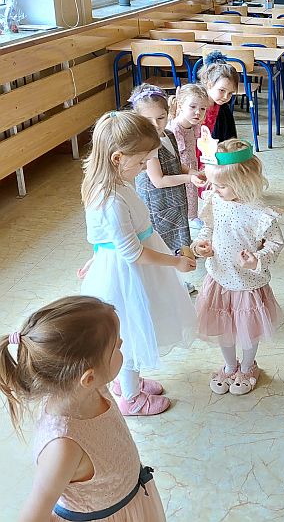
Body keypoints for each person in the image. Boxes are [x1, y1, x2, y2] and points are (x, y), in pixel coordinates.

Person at [0, 296, 167, 520]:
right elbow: (34, 513)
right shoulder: (63, 445)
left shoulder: (93, 388)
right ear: (88, 377)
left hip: (130, 500)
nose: (122, 343)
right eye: (117, 346)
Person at [80, 111, 197, 416]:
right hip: (130, 273)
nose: (146, 167)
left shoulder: (115, 184)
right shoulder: (111, 200)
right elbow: (132, 252)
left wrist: (95, 259)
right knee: (132, 332)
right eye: (142, 162)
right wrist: (175, 263)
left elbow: (109, 239)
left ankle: (127, 381)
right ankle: (131, 398)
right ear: (118, 158)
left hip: (129, 266)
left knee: (138, 326)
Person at [191, 129, 284, 396]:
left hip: (247, 284)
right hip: (219, 277)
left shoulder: (260, 213)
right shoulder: (216, 200)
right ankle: (230, 365)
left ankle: (248, 366)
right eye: (212, 184)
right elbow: (208, 227)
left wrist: (257, 259)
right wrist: (201, 244)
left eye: (220, 185)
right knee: (223, 327)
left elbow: (275, 244)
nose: (213, 190)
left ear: (243, 182)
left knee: (247, 328)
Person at [131, 84, 204, 251]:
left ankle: (181, 256)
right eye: (148, 120)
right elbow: (159, 181)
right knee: (162, 244)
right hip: (158, 204)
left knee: (179, 237)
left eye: (161, 118)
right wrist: (189, 178)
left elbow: (175, 163)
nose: (155, 124)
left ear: (168, 113)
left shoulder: (169, 134)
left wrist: (191, 171)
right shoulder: (146, 144)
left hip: (175, 199)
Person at [166, 83, 210, 229]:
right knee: (182, 195)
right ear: (180, 106)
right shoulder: (174, 129)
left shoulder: (195, 125)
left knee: (192, 193)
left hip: (191, 165)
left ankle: (192, 217)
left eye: (202, 108)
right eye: (193, 107)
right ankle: (186, 219)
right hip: (179, 169)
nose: (198, 112)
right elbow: (173, 156)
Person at [199, 51, 239, 147]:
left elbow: (229, 140)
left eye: (230, 93)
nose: (225, 97)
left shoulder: (224, 110)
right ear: (209, 84)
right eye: (222, 90)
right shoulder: (195, 106)